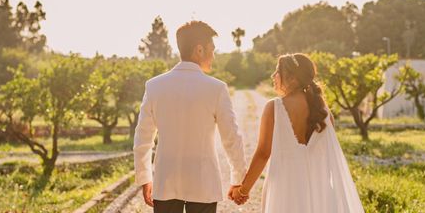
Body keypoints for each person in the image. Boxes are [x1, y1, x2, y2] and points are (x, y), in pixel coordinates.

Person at [134, 21, 247, 213]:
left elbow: (143, 139)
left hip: (165, 181)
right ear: (200, 50)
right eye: (212, 49)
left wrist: (145, 178)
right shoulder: (217, 89)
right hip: (204, 183)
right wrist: (238, 180)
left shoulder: (154, 86)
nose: (213, 55)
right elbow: (232, 138)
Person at [230, 53, 365, 212]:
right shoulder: (325, 114)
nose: (274, 75)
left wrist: (243, 190)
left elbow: (263, 153)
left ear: (293, 79)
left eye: (277, 71)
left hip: (285, 192)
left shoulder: (274, 108)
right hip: (320, 192)